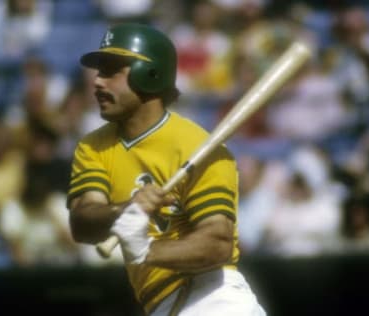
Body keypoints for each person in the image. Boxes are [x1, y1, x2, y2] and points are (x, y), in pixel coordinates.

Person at [66, 23, 266, 316]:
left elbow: (217, 243)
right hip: (161, 305)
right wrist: (125, 210)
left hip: (214, 298)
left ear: (149, 74)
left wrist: (146, 250)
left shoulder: (199, 146)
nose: (97, 81)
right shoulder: (93, 146)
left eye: (110, 70)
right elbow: (82, 224)